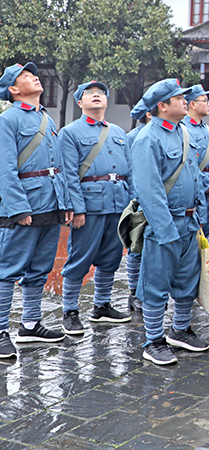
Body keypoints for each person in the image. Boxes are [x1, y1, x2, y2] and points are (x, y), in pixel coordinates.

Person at [131, 78, 209, 365]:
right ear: (162, 106)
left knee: (188, 279)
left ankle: (180, 329)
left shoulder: (183, 132)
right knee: (156, 283)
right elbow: (149, 190)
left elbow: (194, 176)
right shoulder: (147, 138)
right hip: (165, 224)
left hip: (189, 221)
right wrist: (165, 230)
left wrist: (199, 214)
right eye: (178, 98)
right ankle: (153, 340)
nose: (185, 101)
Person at [0, 62, 72, 359]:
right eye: (26, 76)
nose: (35, 77)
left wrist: (66, 203)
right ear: (14, 90)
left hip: (49, 204)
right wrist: (18, 208)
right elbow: (4, 168)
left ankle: (30, 324)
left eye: (34, 74)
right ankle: (1, 330)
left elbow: (59, 166)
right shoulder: (8, 120)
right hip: (25, 206)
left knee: (40, 267)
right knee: (8, 269)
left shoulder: (47, 118)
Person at [58, 81, 132, 335]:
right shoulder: (70, 132)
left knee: (111, 257)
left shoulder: (120, 133)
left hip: (118, 202)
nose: (96, 96)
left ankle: (102, 306)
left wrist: (131, 206)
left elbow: (130, 172)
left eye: (101, 93)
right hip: (89, 204)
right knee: (79, 258)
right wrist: (76, 208)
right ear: (79, 103)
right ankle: (70, 311)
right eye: (89, 94)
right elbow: (68, 174)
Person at [125, 102, 152, 313]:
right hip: (140, 201)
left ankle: (145, 291)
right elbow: (133, 172)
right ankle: (134, 293)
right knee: (136, 248)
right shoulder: (136, 136)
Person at [183, 85, 209, 238]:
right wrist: (205, 183)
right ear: (193, 104)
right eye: (205, 100)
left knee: (206, 235)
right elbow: (188, 162)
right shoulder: (183, 128)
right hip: (196, 187)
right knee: (196, 230)